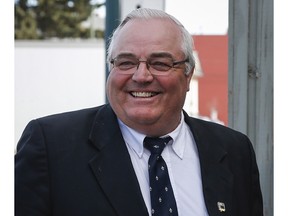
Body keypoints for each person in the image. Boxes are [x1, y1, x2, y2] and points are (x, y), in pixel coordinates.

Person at [15, 8, 263, 216]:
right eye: (126, 62)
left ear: (188, 75)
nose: (141, 76)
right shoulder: (51, 147)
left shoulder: (234, 151)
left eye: (160, 63)